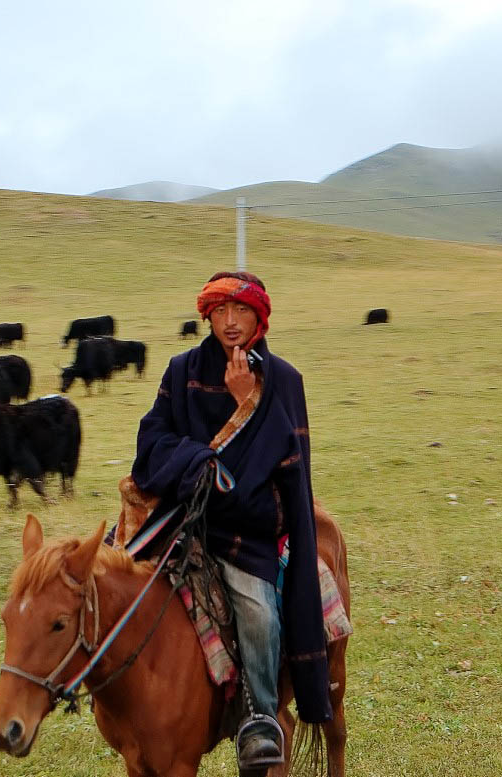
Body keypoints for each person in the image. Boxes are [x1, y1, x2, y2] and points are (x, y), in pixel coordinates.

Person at [130, 271, 332, 769]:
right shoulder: (181, 371)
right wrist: (195, 462)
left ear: (259, 317)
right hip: (180, 521)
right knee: (114, 586)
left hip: (249, 529)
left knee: (260, 616)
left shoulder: (283, 380)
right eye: (219, 311)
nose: (230, 322)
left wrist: (249, 402)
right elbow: (150, 443)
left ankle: (260, 720)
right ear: (207, 316)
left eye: (241, 311)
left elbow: (288, 470)